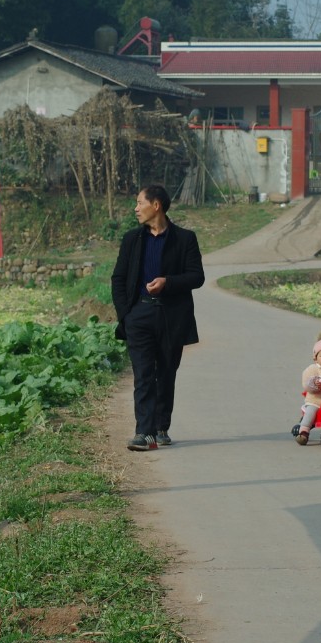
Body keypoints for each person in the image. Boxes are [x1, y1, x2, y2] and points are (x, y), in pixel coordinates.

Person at [110, 183, 205, 451]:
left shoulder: (185, 238)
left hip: (171, 316)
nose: (136, 208)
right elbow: (118, 278)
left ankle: (161, 425)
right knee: (142, 374)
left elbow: (197, 276)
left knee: (165, 372)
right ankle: (145, 433)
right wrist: (125, 315)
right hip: (138, 315)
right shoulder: (132, 239)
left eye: (140, 203)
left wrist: (168, 282)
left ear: (156, 206)